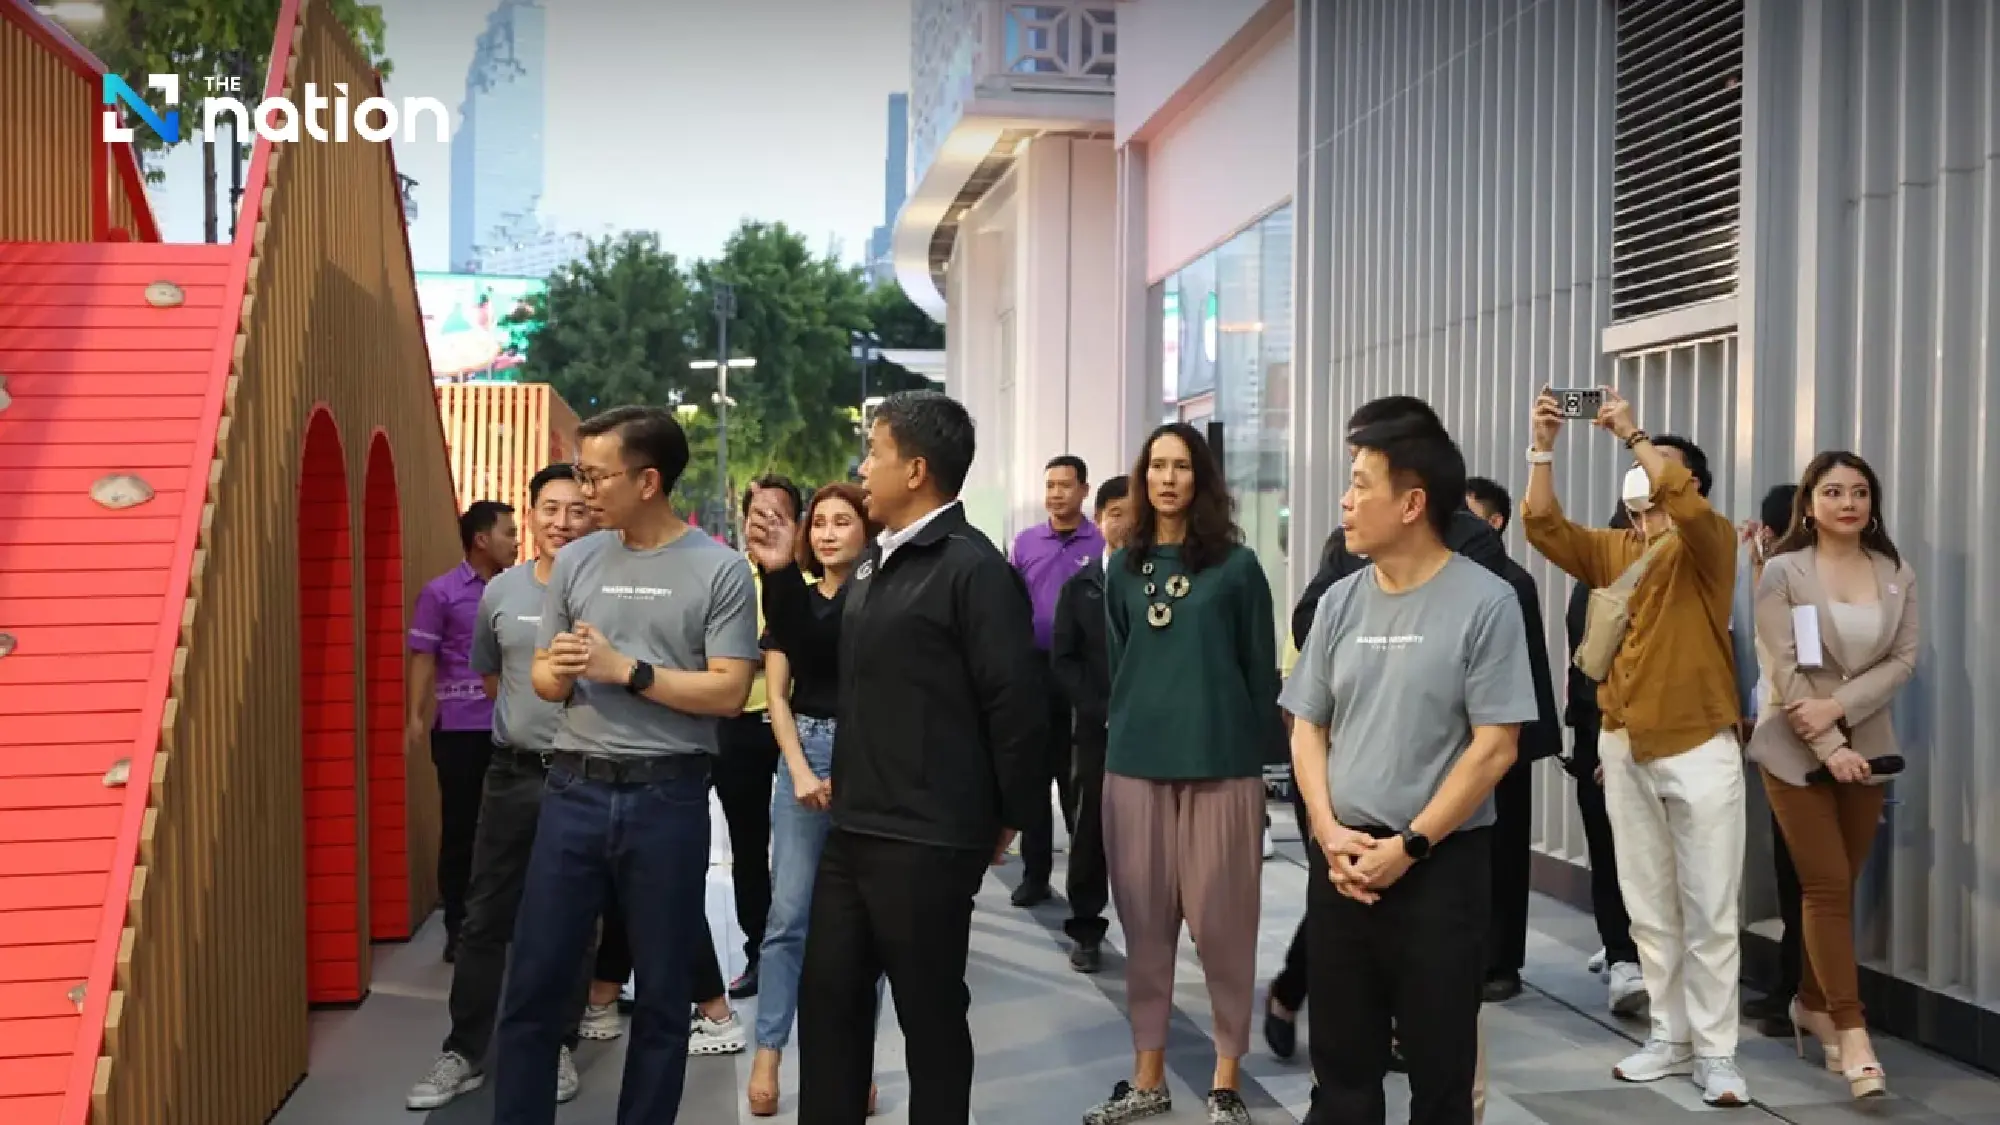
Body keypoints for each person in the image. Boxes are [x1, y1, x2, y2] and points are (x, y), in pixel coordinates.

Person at [771, 390, 1046, 1125]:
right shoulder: (873, 565)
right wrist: (776, 572)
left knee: (929, 1017)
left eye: (875, 452)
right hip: (853, 825)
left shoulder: (971, 568)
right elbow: (815, 651)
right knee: (828, 1001)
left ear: (917, 468)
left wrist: (1009, 814)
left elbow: (1015, 702)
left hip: (928, 834)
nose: (863, 466)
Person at [490, 406, 760, 1125]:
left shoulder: (719, 569)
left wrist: (626, 669)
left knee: (666, 995)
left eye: (594, 474)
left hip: (667, 798)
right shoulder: (578, 560)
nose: (582, 492)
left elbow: (730, 691)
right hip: (573, 788)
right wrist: (565, 667)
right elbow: (547, 676)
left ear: (647, 480)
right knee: (537, 984)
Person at [1284, 410, 1536, 1125]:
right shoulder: (1339, 599)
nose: (1345, 500)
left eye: (1360, 485)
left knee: (1440, 1079)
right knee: (1341, 1078)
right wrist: (1327, 831)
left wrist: (1412, 844)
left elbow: (1496, 747)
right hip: (1343, 865)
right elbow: (1307, 724)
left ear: (1412, 502)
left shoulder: (1486, 602)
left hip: (1439, 869)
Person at [1521, 387, 1750, 1107]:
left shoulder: (1709, 548)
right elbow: (1544, 525)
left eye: (1661, 485)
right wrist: (1542, 445)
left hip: (1701, 742)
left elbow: (1682, 496)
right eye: (1640, 493)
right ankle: (1671, 1035)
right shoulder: (1615, 547)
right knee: (1648, 903)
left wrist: (1634, 433)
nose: (1649, 500)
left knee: (1710, 905)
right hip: (1622, 744)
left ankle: (1717, 1050)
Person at [1083, 423, 1280, 1125]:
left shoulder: (1237, 566)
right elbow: (1119, 656)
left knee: (1225, 928)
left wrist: (1262, 772)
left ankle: (1227, 1079)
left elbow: (1261, 671)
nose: (1168, 477)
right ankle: (1148, 1076)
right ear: (1144, 477)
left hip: (1222, 766)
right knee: (1144, 928)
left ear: (1202, 477)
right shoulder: (1121, 566)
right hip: (1136, 764)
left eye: (1181, 465)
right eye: (1157, 465)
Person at [407, 468, 588, 1110]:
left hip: (582, 776)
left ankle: (558, 1046)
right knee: (485, 917)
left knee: (570, 918)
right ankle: (464, 1050)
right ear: (531, 516)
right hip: (511, 774)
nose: (562, 522)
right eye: (549, 510)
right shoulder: (501, 592)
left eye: (575, 510)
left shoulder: (607, 589)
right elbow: (491, 679)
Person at [1749, 452, 1916, 1100]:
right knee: (1823, 886)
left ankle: (1811, 1004)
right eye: (1834, 490)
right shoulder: (1783, 571)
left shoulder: (1894, 571)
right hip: (1794, 751)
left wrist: (1842, 712)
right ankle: (1852, 1032)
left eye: (1860, 491)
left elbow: (1903, 659)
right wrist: (1826, 742)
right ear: (1810, 503)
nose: (1849, 501)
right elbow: (1785, 665)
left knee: (1843, 881)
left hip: (1870, 746)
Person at [742, 482, 886, 1117]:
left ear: (865, 530)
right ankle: (769, 1051)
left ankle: (859, 1065)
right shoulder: (792, 602)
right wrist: (799, 769)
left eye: (842, 521)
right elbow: (777, 695)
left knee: (868, 926)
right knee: (788, 918)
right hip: (809, 751)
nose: (828, 533)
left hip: (874, 764)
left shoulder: (883, 597)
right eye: (819, 523)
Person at [1462, 476, 1563, 1003]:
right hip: (1469, 740)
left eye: (1469, 512)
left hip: (1509, 739)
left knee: (1504, 853)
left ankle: (1503, 961)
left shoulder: (1510, 580)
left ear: (1495, 522)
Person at [408, 500, 518, 962]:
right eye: (508, 533)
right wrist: (415, 714)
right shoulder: (441, 593)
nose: (515, 542)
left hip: (511, 728)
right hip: (458, 730)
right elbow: (423, 655)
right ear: (481, 540)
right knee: (461, 829)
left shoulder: (520, 590)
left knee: (510, 831)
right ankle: (459, 928)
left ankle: (505, 924)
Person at [712, 476, 806, 1000]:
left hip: (800, 723)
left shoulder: (810, 577)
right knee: (748, 847)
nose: (766, 521)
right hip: (739, 724)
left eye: (779, 513)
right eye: (758, 513)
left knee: (801, 846)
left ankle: (801, 949)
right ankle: (758, 954)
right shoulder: (728, 576)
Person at [1562, 506, 1648, 1018]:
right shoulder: (1600, 580)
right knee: (1611, 850)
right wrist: (1601, 744)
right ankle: (1623, 956)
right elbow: (1587, 668)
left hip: (1673, 741)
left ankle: (1629, 946)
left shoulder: (1697, 569)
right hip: (1606, 736)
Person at [1010, 455, 1106, 907]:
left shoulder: (1101, 540)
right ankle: (1034, 874)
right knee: (1034, 773)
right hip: (1034, 671)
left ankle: (1083, 879)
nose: (1056, 493)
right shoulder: (1026, 543)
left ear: (1084, 490)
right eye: (1050, 485)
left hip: (1084, 675)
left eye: (1066, 485)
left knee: (1078, 781)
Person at [1049, 474, 1134, 973]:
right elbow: (1065, 660)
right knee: (1090, 832)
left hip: (1150, 732)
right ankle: (1086, 928)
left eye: (1134, 514)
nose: (1125, 524)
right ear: (1099, 520)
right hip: (1096, 732)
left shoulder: (1157, 585)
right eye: (1117, 513)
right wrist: (1098, 709)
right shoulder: (1080, 587)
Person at [1739, 484, 1804, 1036]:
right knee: (1790, 876)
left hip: (1803, 749)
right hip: (1781, 745)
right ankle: (1791, 989)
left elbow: (1794, 664)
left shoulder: (1806, 588)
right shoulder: (1779, 581)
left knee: (1805, 880)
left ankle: (1803, 994)